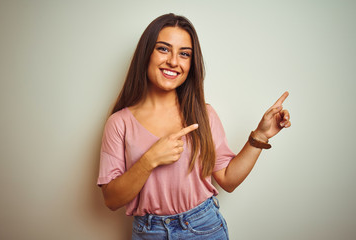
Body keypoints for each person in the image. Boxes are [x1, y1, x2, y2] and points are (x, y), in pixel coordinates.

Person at [97, 13, 291, 240]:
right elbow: (111, 200)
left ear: (191, 63)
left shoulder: (204, 114)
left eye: (184, 54)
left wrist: (260, 136)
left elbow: (228, 179)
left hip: (204, 228)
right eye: (163, 49)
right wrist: (150, 160)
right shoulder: (119, 123)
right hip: (149, 233)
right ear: (145, 54)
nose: (173, 61)